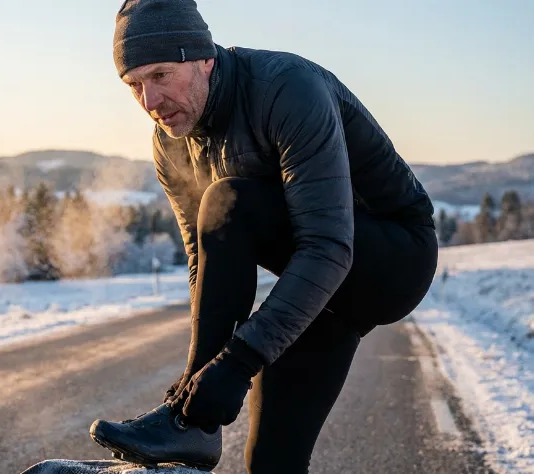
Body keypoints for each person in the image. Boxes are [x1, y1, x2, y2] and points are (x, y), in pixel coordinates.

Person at [88, 1, 440, 472]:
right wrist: (197, 388)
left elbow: (329, 245)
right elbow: (205, 262)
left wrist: (236, 364)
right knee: (272, 461)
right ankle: (192, 429)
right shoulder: (170, 141)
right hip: (320, 292)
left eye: (161, 76)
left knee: (227, 200)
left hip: (392, 258)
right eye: (134, 85)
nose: (149, 101)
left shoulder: (286, 88)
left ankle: (189, 427)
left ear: (203, 58)